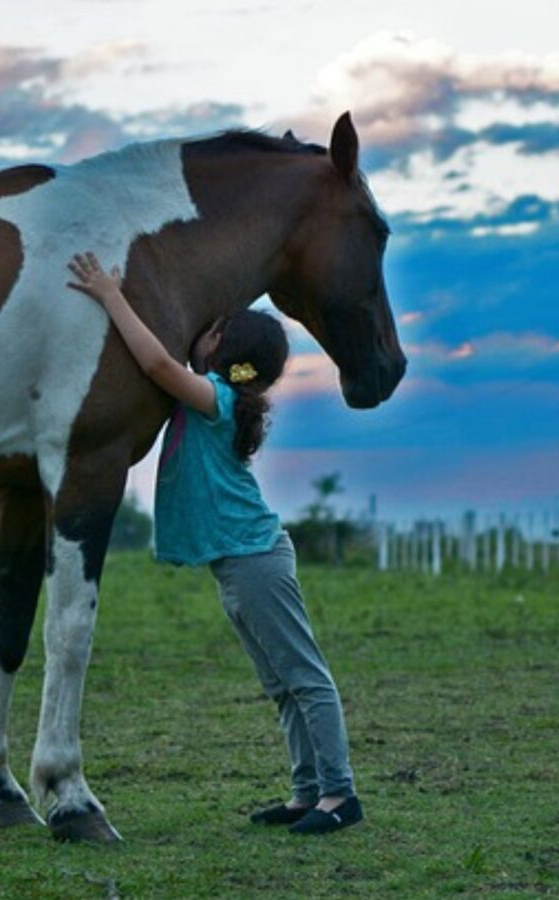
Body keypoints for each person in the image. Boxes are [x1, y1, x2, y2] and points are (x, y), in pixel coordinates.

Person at [65, 251, 363, 835]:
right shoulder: (218, 398)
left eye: (216, 327)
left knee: (305, 677)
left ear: (228, 352)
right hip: (238, 563)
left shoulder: (215, 399)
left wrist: (110, 295)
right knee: (281, 685)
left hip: (254, 559)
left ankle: (340, 794)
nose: (203, 330)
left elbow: (154, 360)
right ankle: (307, 792)